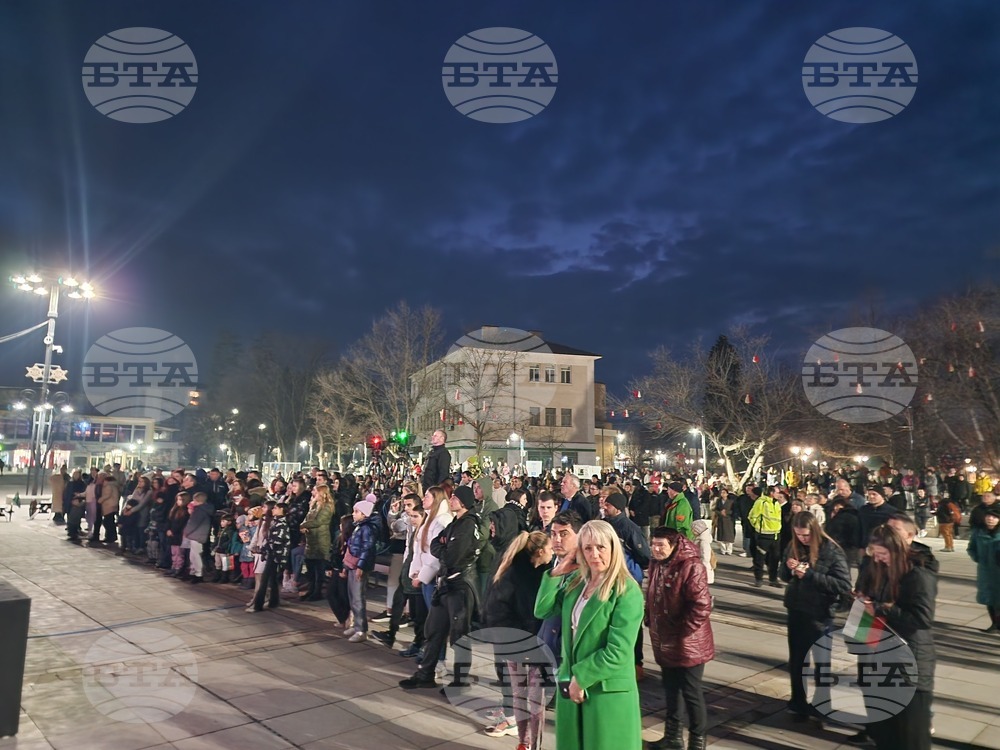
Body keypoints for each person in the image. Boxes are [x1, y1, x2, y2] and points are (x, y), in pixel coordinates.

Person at [533, 520, 644, 750]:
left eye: (601, 547)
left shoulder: (626, 590)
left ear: (613, 548)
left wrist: (581, 677)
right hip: (572, 687)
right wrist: (556, 573)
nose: (595, 554)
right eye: (588, 548)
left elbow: (618, 652)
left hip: (604, 691)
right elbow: (542, 610)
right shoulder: (576, 582)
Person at [854, 525, 936, 750]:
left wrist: (882, 608)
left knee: (910, 736)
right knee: (886, 731)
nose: (878, 560)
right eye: (875, 555)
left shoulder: (918, 575)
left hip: (910, 660)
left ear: (897, 549)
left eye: (883, 554)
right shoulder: (883, 572)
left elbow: (922, 618)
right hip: (884, 658)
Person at [399, 485, 482, 689]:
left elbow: (453, 556)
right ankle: (425, 673)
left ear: (463, 502)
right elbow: (437, 544)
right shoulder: (455, 522)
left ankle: (460, 680)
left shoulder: (468, 525)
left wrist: (443, 548)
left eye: (455, 497)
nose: (451, 499)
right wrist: (444, 546)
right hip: (446, 584)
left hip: (460, 585)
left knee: (459, 635)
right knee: (434, 630)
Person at [482, 531, 553, 749]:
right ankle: (514, 722)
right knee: (523, 690)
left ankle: (514, 722)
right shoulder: (527, 576)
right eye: (550, 549)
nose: (553, 552)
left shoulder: (515, 563)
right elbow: (529, 613)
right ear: (540, 552)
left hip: (502, 632)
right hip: (514, 637)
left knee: (513, 683)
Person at [645, 527, 714, 750]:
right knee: (671, 689)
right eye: (653, 545)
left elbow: (701, 607)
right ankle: (672, 737)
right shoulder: (657, 563)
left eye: (661, 545)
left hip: (688, 643)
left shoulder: (691, 566)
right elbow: (652, 595)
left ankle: (697, 741)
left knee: (691, 692)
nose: (656, 549)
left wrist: (683, 631)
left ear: (674, 545)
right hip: (665, 639)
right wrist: (649, 618)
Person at [779, 512, 851, 719]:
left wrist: (810, 575)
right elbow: (782, 576)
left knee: (822, 661)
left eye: (807, 535)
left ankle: (823, 702)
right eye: (799, 535)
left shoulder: (831, 550)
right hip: (796, 608)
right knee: (797, 660)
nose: (803, 539)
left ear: (815, 531)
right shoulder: (792, 546)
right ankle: (798, 702)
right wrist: (790, 569)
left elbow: (843, 585)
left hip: (820, 612)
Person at [342, 498, 381, 642]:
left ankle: (361, 629)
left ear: (364, 514)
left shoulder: (367, 529)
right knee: (353, 597)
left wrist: (361, 566)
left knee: (358, 598)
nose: (353, 514)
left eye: (356, 511)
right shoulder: (359, 527)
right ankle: (357, 625)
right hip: (353, 565)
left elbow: (367, 549)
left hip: (359, 566)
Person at [248, 501, 291, 612]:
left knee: (265, 580)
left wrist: (264, 549)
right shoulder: (275, 522)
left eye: (275, 508)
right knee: (273, 580)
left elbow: (275, 541)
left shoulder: (281, 524)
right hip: (273, 554)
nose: (273, 510)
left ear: (282, 510)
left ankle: (258, 605)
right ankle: (273, 601)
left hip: (276, 555)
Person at [967, 507, 1000, 633]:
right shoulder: (978, 532)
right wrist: (978, 558)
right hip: (985, 571)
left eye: (994, 517)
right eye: (988, 516)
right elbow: (971, 548)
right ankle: (994, 624)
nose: (990, 519)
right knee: (989, 598)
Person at [747, 486, 782, 587]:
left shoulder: (776, 503)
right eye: (777, 492)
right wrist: (759, 527)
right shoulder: (761, 502)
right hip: (764, 536)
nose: (778, 494)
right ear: (771, 492)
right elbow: (752, 516)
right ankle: (759, 579)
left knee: (774, 559)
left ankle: (773, 579)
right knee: (760, 559)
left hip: (775, 535)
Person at [712, 488, 736, 555]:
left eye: (724, 493)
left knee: (729, 535)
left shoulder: (731, 501)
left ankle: (729, 550)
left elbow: (734, 510)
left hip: (729, 519)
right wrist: (720, 512)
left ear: (727, 494)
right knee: (721, 535)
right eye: (722, 493)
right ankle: (723, 549)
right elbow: (715, 509)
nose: (723, 494)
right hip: (721, 519)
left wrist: (727, 512)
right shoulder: (719, 501)